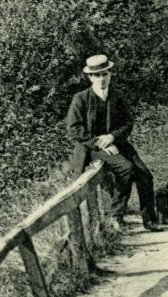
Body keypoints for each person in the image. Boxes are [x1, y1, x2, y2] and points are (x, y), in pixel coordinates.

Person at [66, 54, 159, 232]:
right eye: (97, 75)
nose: (101, 79)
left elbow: (127, 123)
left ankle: (149, 219)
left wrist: (112, 137)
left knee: (145, 175)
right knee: (125, 168)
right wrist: (99, 142)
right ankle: (116, 215)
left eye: (105, 74)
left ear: (110, 74)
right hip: (91, 147)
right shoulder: (81, 98)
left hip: (117, 143)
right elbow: (74, 128)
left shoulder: (116, 96)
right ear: (90, 77)